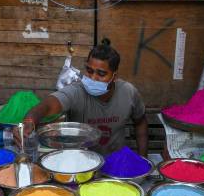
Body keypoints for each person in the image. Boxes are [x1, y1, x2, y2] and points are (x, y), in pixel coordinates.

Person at [21, 39, 149, 156]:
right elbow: (48, 105)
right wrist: (30, 121)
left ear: (114, 77)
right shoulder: (77, 91)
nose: (93, 77)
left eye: (101, 73)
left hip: (117, 164)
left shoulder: (128, 92)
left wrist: (143, 158)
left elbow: (140, 122)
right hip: (82, 164)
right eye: (89, 70)